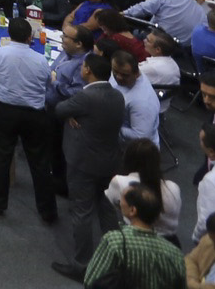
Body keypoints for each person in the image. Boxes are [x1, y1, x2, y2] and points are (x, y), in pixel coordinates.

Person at [53, 54, 131, 280]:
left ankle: (82, 265)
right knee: (107, 210)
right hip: (109, 161)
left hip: (83, 163)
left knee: (82, 212)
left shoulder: (86, 97)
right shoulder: (117, 96)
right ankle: (116, 258)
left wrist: (72, 114)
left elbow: (60, 109)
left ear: (87, 70)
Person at [0, 18, 57, 225]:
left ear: (9, 35)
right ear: (30, 37)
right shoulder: (41, 60)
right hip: (34, 114)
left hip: (5, 110)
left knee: (2, 155)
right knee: (40, 162)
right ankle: (48, 211)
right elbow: (47, 84)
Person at [76, 185, 186, 289]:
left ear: (132, 210)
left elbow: (90, 280)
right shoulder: (175, 253)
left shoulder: (114, 242)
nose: (120, 202)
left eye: (122, 199)